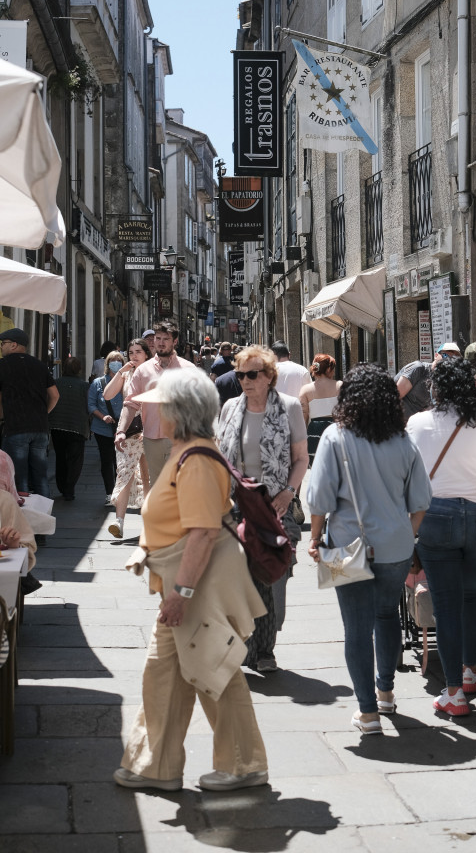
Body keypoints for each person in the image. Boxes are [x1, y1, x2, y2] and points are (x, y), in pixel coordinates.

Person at [114, 368, 269, 793]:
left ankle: (243, 765)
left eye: (161, 407)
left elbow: (202, 532)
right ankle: (155, 765)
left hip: (196, 584)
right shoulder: (186, 451)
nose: (155, 414)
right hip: (184, 581)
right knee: (163, 673)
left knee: (214, 671)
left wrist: (181, 593)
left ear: (180, 412)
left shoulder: (196, 458)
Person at [307, 363, 430, 734]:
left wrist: (315, 538)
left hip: (345, 545)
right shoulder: (403, 440)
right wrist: (406, 535)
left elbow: (319, 498)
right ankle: (386, 693)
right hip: (395, 547)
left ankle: (367, 712)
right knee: (387, 615)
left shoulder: (335, 436)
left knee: (356, 629)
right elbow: (421, 500)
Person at [407, 358, 476, 717]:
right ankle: (470, 670)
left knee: (445, 605)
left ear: (436, 387)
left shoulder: (418, 423)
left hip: (436, 516)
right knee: (473, 595)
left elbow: (409, 473)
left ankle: (453, 693)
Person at [217, 345, 308, 673]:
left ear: (269, 376)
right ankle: (244, 647)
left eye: (252, 374)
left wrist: (288, 492)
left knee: (269, 579)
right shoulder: (230, 408)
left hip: (273, 507)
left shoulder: (289, 407)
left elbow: (301, 459)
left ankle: (265, 649)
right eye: (240, 374)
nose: (245, 381)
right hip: (236, 506)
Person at [115, 323, 193, 486]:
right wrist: (121, 430)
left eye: (166, 339)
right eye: (158, 338)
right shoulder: (143, 370)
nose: (161, 343)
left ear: (175, 341)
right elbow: (131, 403)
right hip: (152, 439)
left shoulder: (188, 369)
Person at [0, 328, 59, 496]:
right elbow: (55, 395)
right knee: (40, 475)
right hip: (40, 428)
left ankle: (22, 511)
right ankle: (44, 510)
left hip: (16, 427)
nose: (1, 347)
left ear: (13, 345)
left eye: (3, 344)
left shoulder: (2, 365)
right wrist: (44, 413)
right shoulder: (39, 365)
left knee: (19, 476)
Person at [103, 338, 152, 538]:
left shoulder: (152, 372)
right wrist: (121, 372)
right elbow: (107, 395)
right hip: (128, 430)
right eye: (131, 352)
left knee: (147, 477)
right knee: (125, 474)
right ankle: (119, 521)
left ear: (146, 354)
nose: (134, 355)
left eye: (138, 352)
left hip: (149, 430)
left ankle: (149, 523)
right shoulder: (127, 374)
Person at [48, 357, 91, 501]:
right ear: (79, 369)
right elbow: (89, 406)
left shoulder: (55, 383)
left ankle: (62, 486)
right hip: (77, 427)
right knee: (75, 460)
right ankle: (69, 488)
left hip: (57, 426)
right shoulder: (85, 386)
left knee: (60, 457)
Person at [88, 351, 124, 507]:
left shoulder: (127, 382)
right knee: (106, 460)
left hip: (123, 429)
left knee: (120, 462)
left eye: (119, 360)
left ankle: (120, 492)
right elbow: (91, 405)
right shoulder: (98, 383)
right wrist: (103, 417)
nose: (116, 363)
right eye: (113, 360)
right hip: (102, 429)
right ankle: (110, 493)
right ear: (108, 364)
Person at [299, 354, 342, 465]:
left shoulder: (305, 390)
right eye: (333, 368)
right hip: (335, 427)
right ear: (328, 369)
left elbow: (304, 416)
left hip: (314, 430)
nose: (333, 372)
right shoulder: (340, 385)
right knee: (337, 463)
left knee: (316, 465)